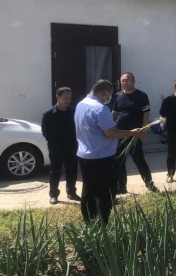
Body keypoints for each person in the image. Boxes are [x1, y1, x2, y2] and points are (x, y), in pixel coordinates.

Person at [75, 79, 146, 224]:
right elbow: (111, 132)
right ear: (104, 92)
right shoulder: (100, 109)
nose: (109, 98)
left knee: (88, 189)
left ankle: (89, 220)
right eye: (109, 95)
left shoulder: (81, 104)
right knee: (105, 191)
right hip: (101, 157)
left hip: (85, 154)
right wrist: (132, 132)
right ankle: (103, 222)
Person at [111, 72, 158, 193]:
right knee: (119, 160)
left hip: (135, 134)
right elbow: (114, 112)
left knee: (139, 159)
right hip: (120, 132)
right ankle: (121, 186)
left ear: (133, 81)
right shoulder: (118, 95)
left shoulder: (141, 95)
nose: (125, 83)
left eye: (127, 80)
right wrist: (110, 127)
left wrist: (144, 130)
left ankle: (149, 184)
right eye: (123, 81)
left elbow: (146, 113)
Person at [41, 87, 80, 205]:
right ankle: (53, 195)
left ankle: (71, 192)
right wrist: (54, 142)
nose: (68, 100)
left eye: (70, 98)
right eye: (65, 98)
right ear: (57, 97)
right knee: (55, 171)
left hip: (71, 147)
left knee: (72, 171)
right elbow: (45, 132)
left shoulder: (73, 112)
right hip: (56, 148)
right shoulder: (49, 114)